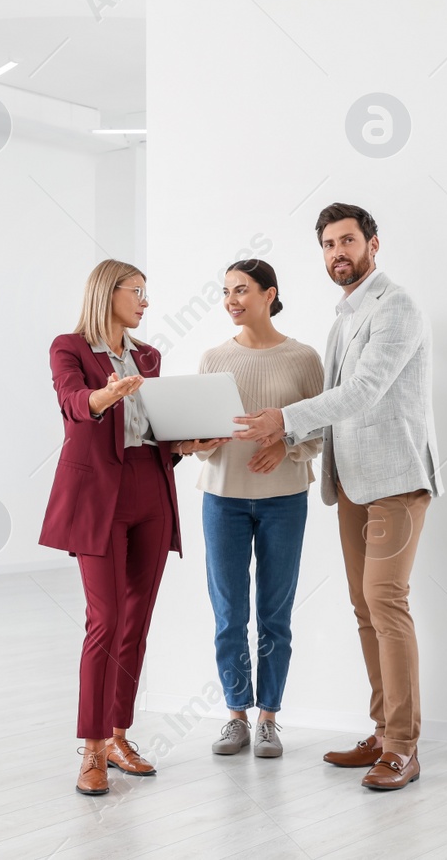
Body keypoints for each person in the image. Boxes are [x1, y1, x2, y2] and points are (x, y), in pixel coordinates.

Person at [234, 203, 440, 792]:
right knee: (365, 608)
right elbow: (336, 406)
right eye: (327, 245)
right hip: (351, 482)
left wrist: (283, 417)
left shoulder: (395, 305)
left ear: (374, 243)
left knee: (386, 602)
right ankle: (382, 732)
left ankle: (404, 748)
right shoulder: (342, 318)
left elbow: (366, 391)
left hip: (397, 481)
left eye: (347, 241)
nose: (337, 253)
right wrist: (291, 439)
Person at [40, 259, 227, 797]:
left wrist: (190, 445)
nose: (145, 302)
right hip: (99, 497)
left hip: (150, 490)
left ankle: (121, 735)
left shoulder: (148, 355)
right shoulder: (69, 347)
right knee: (105, 619)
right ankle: (92, 750)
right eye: (137, 292)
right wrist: (106, 396)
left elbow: (156, 432)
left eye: (148, 293)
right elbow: (73, 403)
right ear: (108, 291)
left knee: (136, 621)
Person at [192, 259, 324, 759]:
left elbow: (321, 427)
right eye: (225, 290)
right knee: (229, 613)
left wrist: (286, 443)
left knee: (274, 613)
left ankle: (269, 717)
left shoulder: (304, 357)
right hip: (222, 497)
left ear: (270, 294)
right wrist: (198, 441)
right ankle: (235, 716)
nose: (231, 299)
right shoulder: (212, 358)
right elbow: (203, 436)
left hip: (284, 499)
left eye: (241, 290)